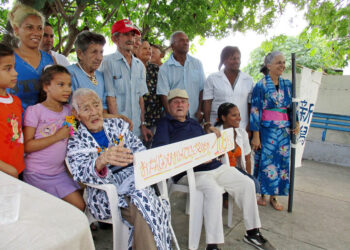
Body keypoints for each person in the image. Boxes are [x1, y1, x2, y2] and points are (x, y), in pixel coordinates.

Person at [152, 88, 275, 250]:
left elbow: (208, 142)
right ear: (169, 106)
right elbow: (162, 151)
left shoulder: (195, 124)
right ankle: (213, 245)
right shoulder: (164, 124)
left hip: (214, 166)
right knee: (214, 190)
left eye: (183, 101)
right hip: (190, 172)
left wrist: (208, 129)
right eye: (175, 102)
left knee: (247, 183)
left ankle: (252, 233)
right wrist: (196, 157)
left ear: (188, 105)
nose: (179, 104)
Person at [66, 88, 172, 250]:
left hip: (136, 183)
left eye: (96, 105)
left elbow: (139, 151)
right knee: (149, 208)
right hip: (107, 193)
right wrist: (101, 161)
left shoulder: (117, 125)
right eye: (86, 108)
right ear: (76, 113)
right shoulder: (76, 137)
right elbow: (79, 172)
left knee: (145, 207)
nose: (94, 112)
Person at [23, 65, 85, 211]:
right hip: (37, 173)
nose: (67, 89)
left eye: (69, 85)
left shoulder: (69, 111)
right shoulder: (35, 111)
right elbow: (27, 146)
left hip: (59, 172)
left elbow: (72, 133)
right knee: (46, 211)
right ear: (46, 87)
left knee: (79, 206)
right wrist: (57, 136)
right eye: (61, 84)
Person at [250, 51, 299, 210]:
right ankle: (263, 194)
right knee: (266, 162)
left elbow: (292, 107)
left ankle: (275, 196)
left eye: (284, 62)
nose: (283, 65)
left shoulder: (288, 85)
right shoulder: (260, 85)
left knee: (281, 163)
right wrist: (255, 135)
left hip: (284, 132)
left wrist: (296, 121)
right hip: (267, 130)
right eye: (279, 62)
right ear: (268, 65)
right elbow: (256, 110)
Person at [101, 19, 152, 140]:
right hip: (119, 131)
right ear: (115, 39)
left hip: (137, 130)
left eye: (132, 35)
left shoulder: (139, 65)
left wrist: (143, 124)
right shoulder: (107, 62)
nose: (130, 38)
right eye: (126, 34)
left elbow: (140, 98)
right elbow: (110, 97)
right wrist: (117, 128)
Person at [7, 3, 54, 111]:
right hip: (13, 124)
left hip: (46, 125)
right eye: (29, 27)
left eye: (39, 28)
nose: (36, 33)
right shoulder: (8, 58)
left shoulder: (49, 60)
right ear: (16, 29)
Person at [157, 31, 205, 122]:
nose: (186, 43)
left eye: (187, 40)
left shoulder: (197, 63)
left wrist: (200, 110)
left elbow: (202, 89)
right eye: (182, 40)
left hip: (196, 117)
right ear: (172, 46)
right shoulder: (165, 68)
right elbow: (164, 95)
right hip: (176, 119)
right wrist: (172, 117)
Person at [203, 46, 253, 132]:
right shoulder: (213, 78)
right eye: (233, 59)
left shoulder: (248, 79)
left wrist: (249, 125)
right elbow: (207, 102)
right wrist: (208, 123)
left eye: (238, 58)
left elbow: (250, 104)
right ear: (224, 60)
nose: (237, 61)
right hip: (218, 128)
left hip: (241, 126)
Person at [215, 102, 260, 194]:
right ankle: (226, 197)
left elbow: (247, 159)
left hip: (236, 171)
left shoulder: (242, 133)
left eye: (239, 115)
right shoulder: (215, 134)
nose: (239, 118)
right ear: (223, 118)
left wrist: (248, 176)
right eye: (234, 115)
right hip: (220, 173)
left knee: (254, 184)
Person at [67, 31, 108, 110]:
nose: (99, 58)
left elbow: (103, 109)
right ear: (80, 54)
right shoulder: (68, 74)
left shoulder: (100, 76)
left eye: (101, 52)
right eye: (94, 52)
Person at [0, 44, 24, 178]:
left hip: (18, 169)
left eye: (14, 67)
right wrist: (8, 170)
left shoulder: (16, 101)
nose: (15, 73)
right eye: (7, 69)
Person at [135, 40, 162, 141]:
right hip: (138, 120)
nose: (148, 51)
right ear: (136, 51)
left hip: (156, 118)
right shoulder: (133, 68)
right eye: (145, 48)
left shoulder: (155, 68)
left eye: (149, 49)